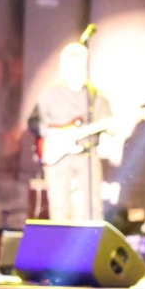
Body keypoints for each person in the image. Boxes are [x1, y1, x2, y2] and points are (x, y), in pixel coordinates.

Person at [28, 42, 112, 222]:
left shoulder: (96, 96)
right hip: (58, 158)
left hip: (86, 155)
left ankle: (89, 238)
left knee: (90, 206)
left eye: (79, 65)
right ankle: (60, 238)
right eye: (70, 65)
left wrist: (113, 127)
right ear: (63, 67)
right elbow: (34, 121)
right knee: (59, 207)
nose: (75, 70)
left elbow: (109, 125)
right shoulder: (50, 93)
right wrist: (53, 135)